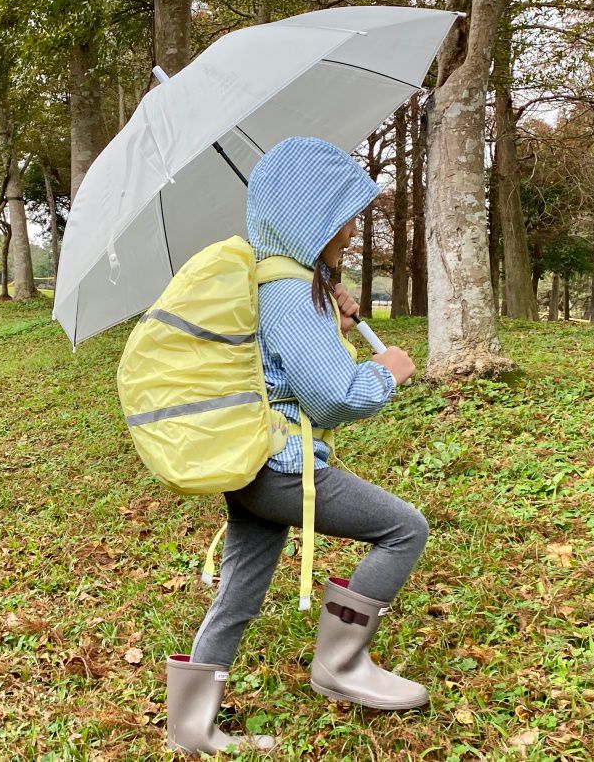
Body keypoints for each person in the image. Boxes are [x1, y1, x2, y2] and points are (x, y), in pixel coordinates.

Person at [164, 136, 430, 755]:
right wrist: (386, 369)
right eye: (343, 220)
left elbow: (284, 368)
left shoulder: (278, 280)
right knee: (403, 529)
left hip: (250, 463)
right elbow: (333, 397)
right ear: (313, 219)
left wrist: (332, 320)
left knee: (239, 592)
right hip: (284, 469)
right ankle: (340, 667)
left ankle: (190, 727)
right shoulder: (290, 290)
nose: (351, 234)